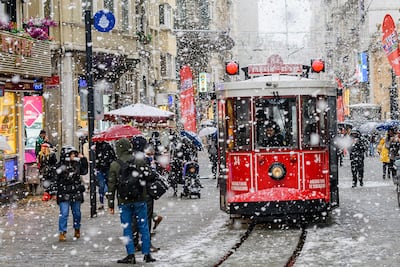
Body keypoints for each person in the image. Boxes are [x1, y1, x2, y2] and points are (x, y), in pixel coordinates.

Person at [107, 138, 156, 264]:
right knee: (144, 226)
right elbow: (151, 175)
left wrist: (111, 203)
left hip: (124, 200)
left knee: (127, 228)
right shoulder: (139, 160)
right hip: (140, 198)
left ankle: (130, 255)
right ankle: (147, 254)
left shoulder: (115, 164)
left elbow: (111, 185)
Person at [55, 145, 88, 242]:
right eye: (72, 154)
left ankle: (77, 228)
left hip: (75, 192)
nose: (73, 156)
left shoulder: (77, 164)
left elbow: (84, 171)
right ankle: (62, 232)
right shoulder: (60, 165)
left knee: (76, 213)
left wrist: (83, 159)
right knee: (64, 213)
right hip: (64, 192)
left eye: (74, 154)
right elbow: (55, 177)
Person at [94, 141, 115, 210]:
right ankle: (102, 202)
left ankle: (104, 200)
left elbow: (113, 156)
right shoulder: (95, 147)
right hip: (101, 168)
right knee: (102, 185)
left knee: (104, 185)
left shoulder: (107, 146)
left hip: (105, 168)